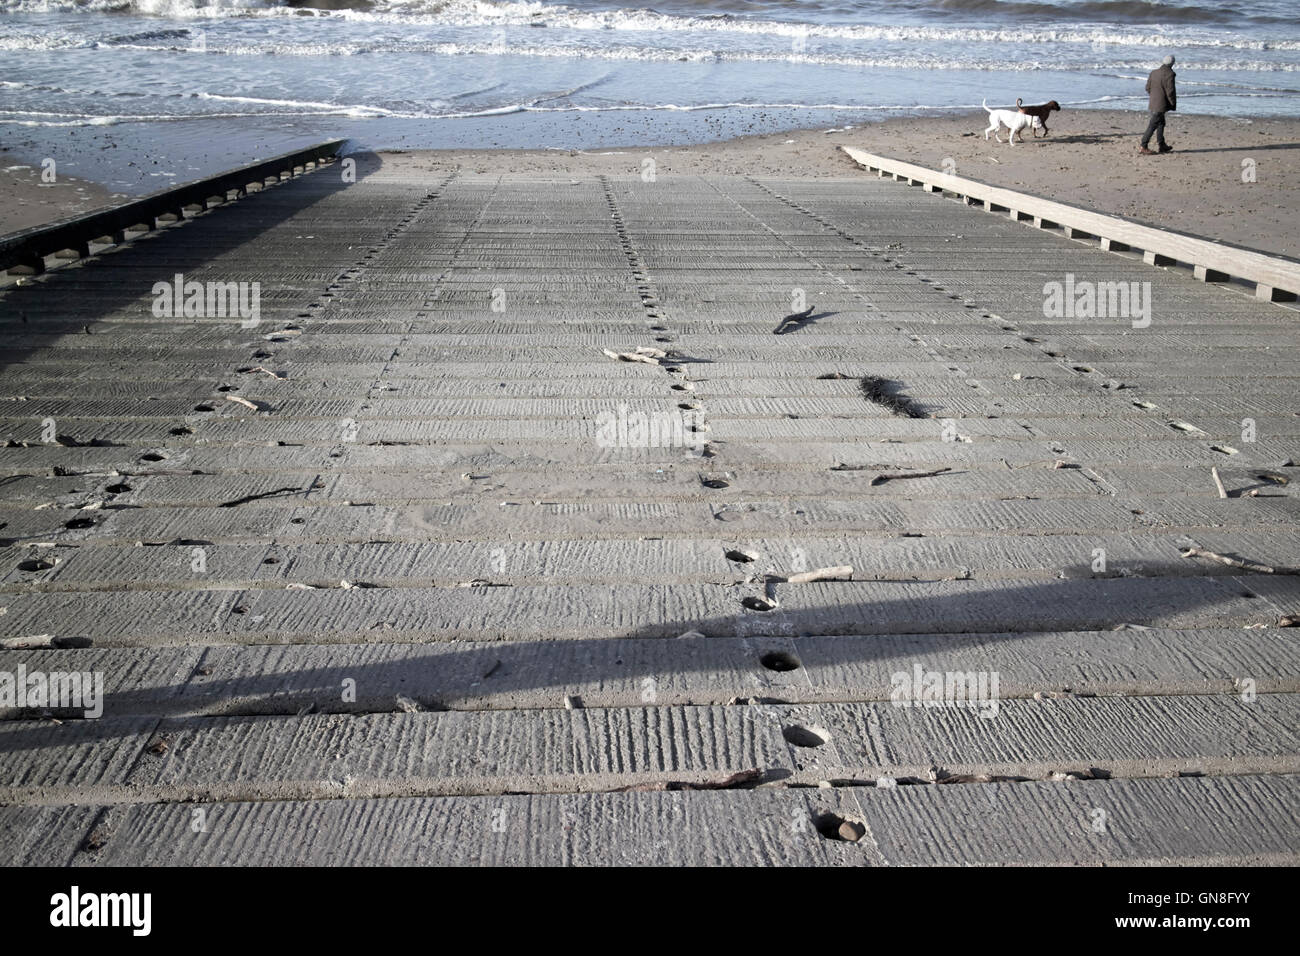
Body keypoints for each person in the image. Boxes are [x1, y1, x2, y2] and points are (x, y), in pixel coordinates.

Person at [1140, 55, 1177, 154]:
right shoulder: (1170, 74)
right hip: (1161, 104)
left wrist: (1154, 97)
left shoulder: (1154, 72)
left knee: (1161, 123)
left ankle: (1162, 145)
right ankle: (1143, 145)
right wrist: (1172, 103)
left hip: (1153, 102)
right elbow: (1170, 92)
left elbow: (1147, 88)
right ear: (1173, 63)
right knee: (1153, 125)